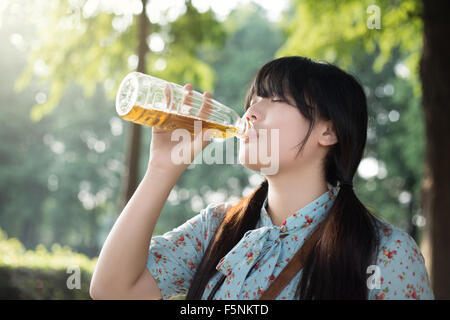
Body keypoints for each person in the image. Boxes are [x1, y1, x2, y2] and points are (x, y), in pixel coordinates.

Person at [90, 56, 434, 300]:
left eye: (274, 99)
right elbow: (114, 290)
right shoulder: (217, 228)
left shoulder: (385, 252)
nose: (251, 111)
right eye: (252, 100)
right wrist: (161, 169)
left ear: (329, 130)